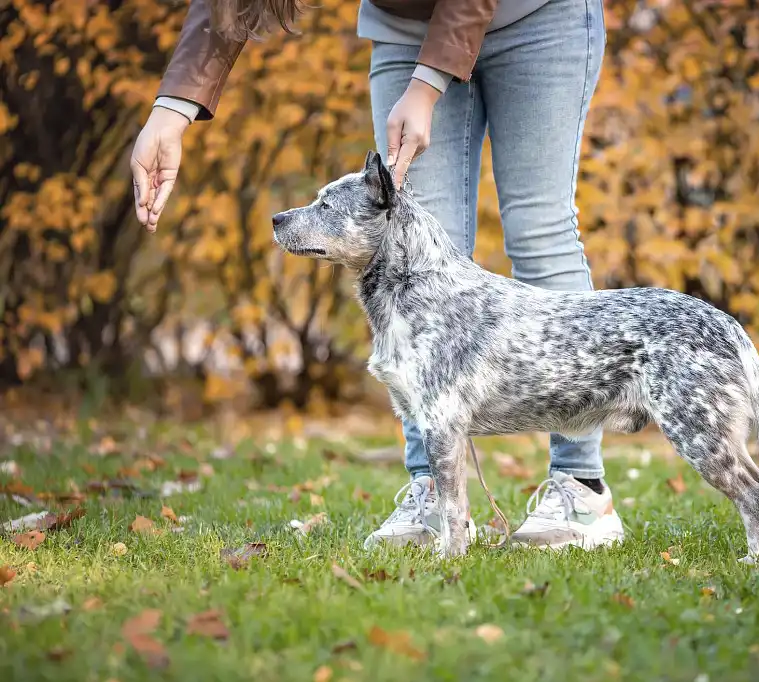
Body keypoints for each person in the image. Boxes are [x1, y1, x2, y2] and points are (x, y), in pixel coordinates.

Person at [130, 0, 624, 550]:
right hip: (407, 26)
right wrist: (172, 110)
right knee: (418, 252)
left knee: (539, 231)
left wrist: (427, 84)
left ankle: (579, 487)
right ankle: (434, 493)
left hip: (537, 16)